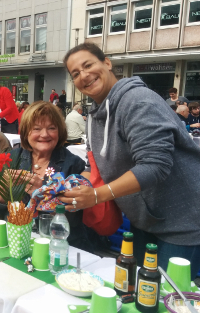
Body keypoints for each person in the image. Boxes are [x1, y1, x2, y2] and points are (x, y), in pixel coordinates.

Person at [61, 42, 200, 279]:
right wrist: (70, 186)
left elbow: (155, 165)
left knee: (164, 297)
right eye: (75, 73)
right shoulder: (95, 115)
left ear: (107, 63)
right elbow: (93, 165)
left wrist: (96, 195)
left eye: (88, 65)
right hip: (144, 221)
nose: (84, 75)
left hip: (181, 223)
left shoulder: (138, 100)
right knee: (134, 292)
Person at [0, 101, 93, 251]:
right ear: (26, 132)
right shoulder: (13, 157)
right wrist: (5, 188)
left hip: (58, 247)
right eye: (37, 128)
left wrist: (43, 192)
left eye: (51, 128)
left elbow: (74, 219)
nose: (44, 134)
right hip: (15, 242)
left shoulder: (73, 164)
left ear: (59, 132)